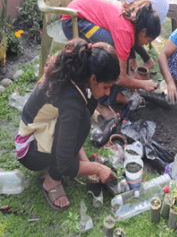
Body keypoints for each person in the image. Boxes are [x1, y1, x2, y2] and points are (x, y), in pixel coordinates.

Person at [15, 39, 119, 210]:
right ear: (93, 78)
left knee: (84, 116)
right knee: (83, 120)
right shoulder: (72, 101)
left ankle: (65, 164)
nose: (108, 93)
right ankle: (52, 181)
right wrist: (97, 168)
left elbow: (70, 130)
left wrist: (86, 164)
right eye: (106, 87)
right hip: (29, 149)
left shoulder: (82, 75)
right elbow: (65, 164)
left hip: (45, 127)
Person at [62, 0, 160, 119]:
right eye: (148, 40)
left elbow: (125, 65)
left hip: (84, 13)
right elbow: (121, 78)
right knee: (108, 51)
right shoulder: (125, 30)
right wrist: (143, 84)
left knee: (118, 54)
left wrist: (133, 85)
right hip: (73, 19)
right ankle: (102, 103)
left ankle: (115, 94)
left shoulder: (132, 20)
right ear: (143, 31)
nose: (146, 44)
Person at [98, 0, 169, 71]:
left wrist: (132, 58)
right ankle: (145, 60)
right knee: (126, 25)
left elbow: (126, 12)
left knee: (125, 24)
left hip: (153, 8)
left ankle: (138, 61)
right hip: (157, 5)